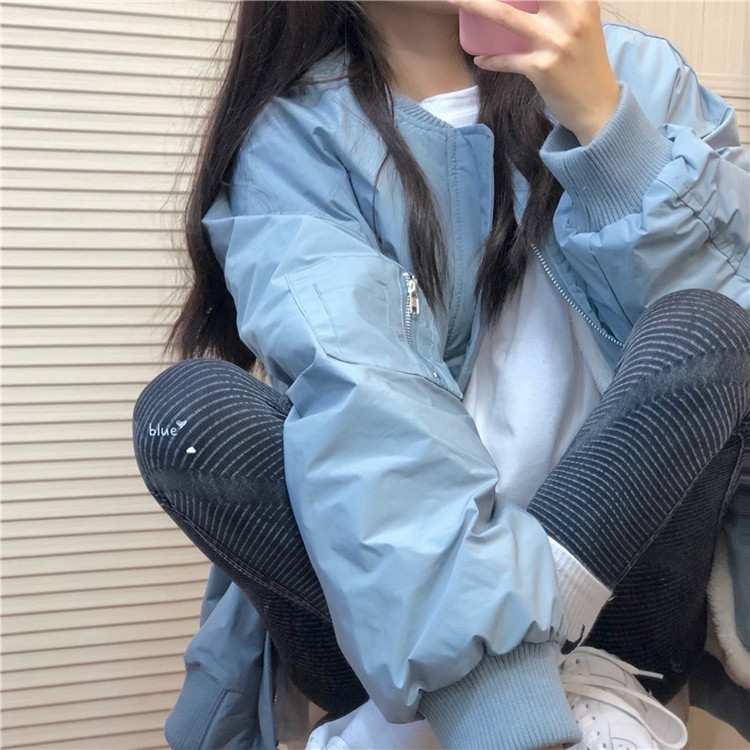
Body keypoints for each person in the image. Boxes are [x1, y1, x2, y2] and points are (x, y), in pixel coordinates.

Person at [132, 1, 750, 748]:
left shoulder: (639, 73)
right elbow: (362, 399)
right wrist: (491, 687)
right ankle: (476, 689)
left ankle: (496, 696)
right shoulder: (298, 136)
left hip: (629, 597)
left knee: (704, 325)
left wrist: (605, 126)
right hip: (400, 608)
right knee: (190, 412)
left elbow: (728, 353)